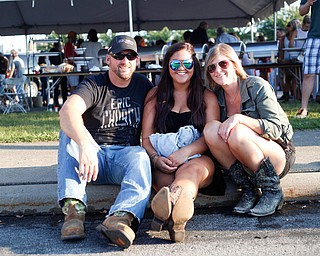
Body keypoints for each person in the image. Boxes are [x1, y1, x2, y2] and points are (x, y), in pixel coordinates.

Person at [57, 35, 153, 248]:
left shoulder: (144, 85)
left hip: (124, 156)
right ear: (108, 59)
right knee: (69, 135)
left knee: (140, 155)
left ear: (137, 60)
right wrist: (85, 144)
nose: (125, 61)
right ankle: (74, 213)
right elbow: (68, 111)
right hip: (91, 158)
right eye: (119, 55)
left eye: (130, 56)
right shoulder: (94, 84)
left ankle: (121, 218)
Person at [142, 42, 225, 243]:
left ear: (194, 66)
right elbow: (146, 138)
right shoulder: (155, 95)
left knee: (189, 172)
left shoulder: (207, 96)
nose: (181, 68)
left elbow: (209, 136)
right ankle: (178, 220)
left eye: (187, 63)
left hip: (198, 158)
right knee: (164, 179)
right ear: (167, 66)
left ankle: (170, 203)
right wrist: (155, 159)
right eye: (175, 64)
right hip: (164, 160)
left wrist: (185, 152)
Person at [203, 43, 296, 217]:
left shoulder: (257, 85)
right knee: (210, 129)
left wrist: (239, 118)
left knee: (237, 131)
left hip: (276, 153)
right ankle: (249, 190)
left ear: (235, 63)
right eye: (211, 67)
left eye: (223, 64)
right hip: (243, 160)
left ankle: (272, 191)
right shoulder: (215, 96)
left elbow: (277, 128)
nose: (218, 70)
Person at [295, 0, 320, 118]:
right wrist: (308, 3)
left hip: (314, 36)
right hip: (314, 36)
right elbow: (301, 11)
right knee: (309, 73)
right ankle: (303, 108)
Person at [278, 19, 300, 102]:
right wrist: (281, 58)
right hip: (286, 59)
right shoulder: (284, 38)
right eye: (287, 25)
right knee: (287, 78)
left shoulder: (297, 36)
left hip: (295, 59)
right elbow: (281, 49)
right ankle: (286, 95)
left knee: (295, 78)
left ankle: (295, 96)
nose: (287, 27)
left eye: (289, 25)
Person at [49, 42, 68, 108]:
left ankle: (56, 103)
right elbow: (64, 59)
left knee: (55, 88)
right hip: (61, 71)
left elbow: (50, 60)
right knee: (63, 88)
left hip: (54, 71)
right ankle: (64, 102)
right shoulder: (59, 53)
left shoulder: (51, 52)